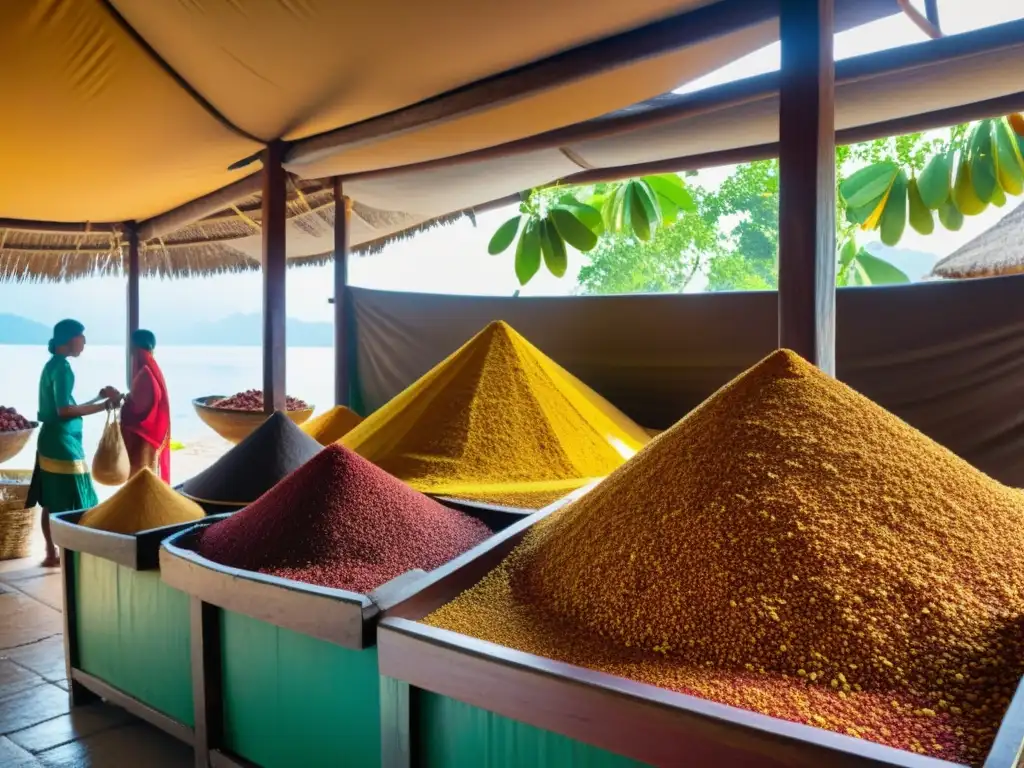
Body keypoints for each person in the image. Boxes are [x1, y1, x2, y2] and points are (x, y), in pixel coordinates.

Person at [26, 320, 120, 567]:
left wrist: (98, 398)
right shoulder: (64, 369)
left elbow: (65, 408)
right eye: (81, 337)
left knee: (52, 499)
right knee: (77, 499)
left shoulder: (52, 366)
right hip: (62, 444)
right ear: (69, 340)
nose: (85, 342)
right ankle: (76, 555)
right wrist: (104, 406)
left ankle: (51, 553)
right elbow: (65, 410)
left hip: (51, 440)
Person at [120, 329, 171, 483]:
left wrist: (122, 402)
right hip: (150, 439)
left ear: (133, 348)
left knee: (139, 484)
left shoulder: (144, 375)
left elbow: (138, 409)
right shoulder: (151, 371)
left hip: (142, 442)